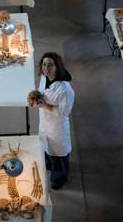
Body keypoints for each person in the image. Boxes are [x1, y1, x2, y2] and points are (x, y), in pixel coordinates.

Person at [34, 52, 75, 190]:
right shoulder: (44, 78)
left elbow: (65, 111)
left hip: (57, 127)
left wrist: (44, 105)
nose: (46, 68)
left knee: (58, 154)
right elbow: (42, 92)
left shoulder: (65, 89)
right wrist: (35, 98)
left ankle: (59, 178)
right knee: (46, 147)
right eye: (44, 64)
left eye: (50, 65)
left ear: (57, 67)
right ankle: (49, 165)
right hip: (45, 122)